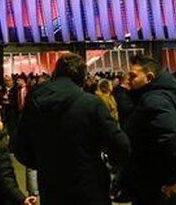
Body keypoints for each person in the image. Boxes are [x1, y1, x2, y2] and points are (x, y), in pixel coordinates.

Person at [13, 53, 130, 205]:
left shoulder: (34, 102)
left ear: (55, 73)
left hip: (51, 187)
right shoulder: (91, 104)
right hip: (89, 186)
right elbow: (121, 145)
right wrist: (108, 163)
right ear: (82, 77)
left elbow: (20, 147)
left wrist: (45, 163)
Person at [124, 56, 176, 205]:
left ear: (149, 77)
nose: (127, 80)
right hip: (164, 178)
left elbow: (175, 136)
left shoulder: (154, 99)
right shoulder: (160, 95)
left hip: (163, 185)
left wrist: (171, 179)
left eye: (133, 76)